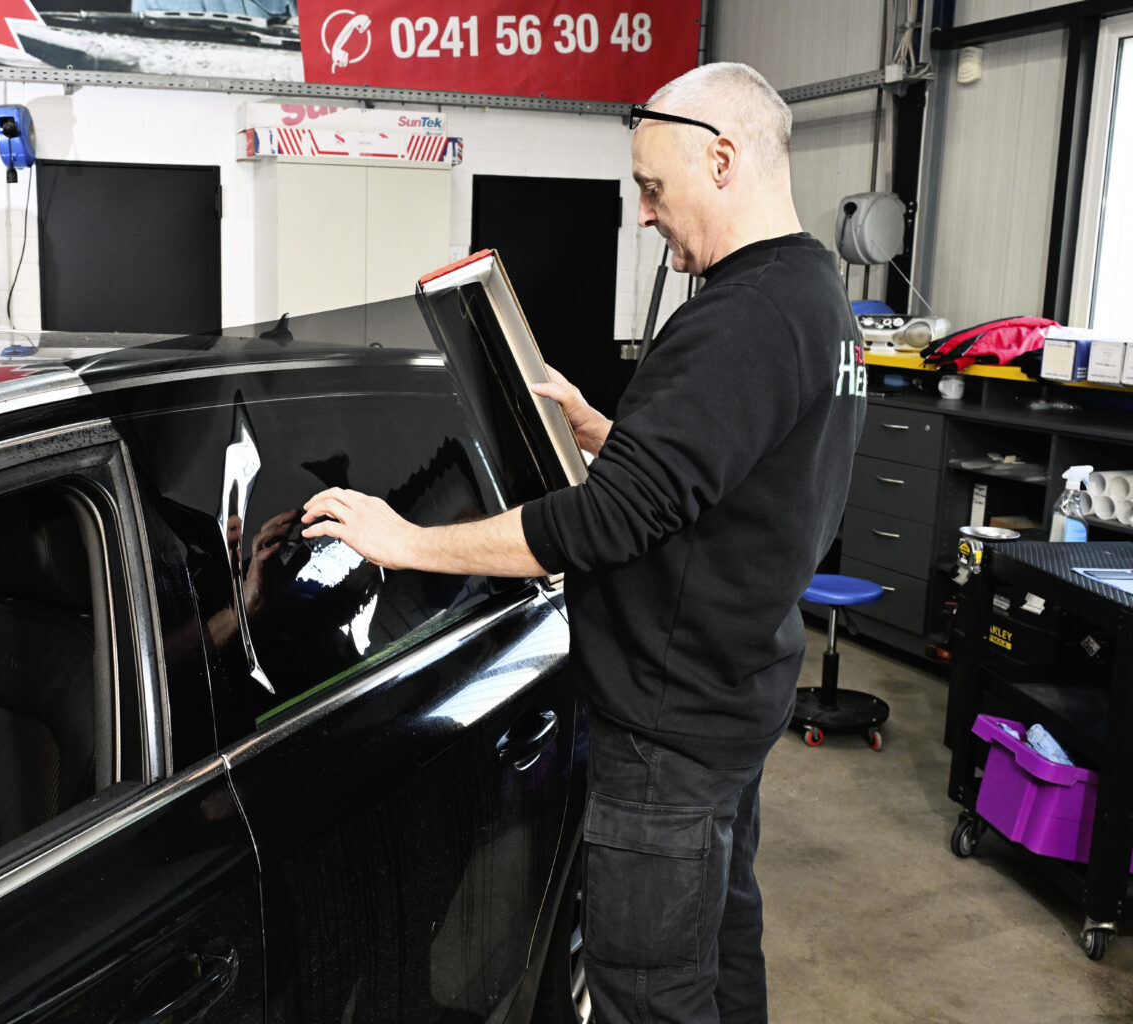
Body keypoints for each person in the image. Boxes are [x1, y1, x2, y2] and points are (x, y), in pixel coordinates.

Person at [301, 61, 866, 1024]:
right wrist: (611, 432)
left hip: (667, 732)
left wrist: (407, 539)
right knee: (723, 966)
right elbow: (744, 469)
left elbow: (600, 524)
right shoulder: (812, 296)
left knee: (651, 994)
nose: (642, 217)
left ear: (722, 159)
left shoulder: (740, 319)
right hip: (734, 700)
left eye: (651, 187)